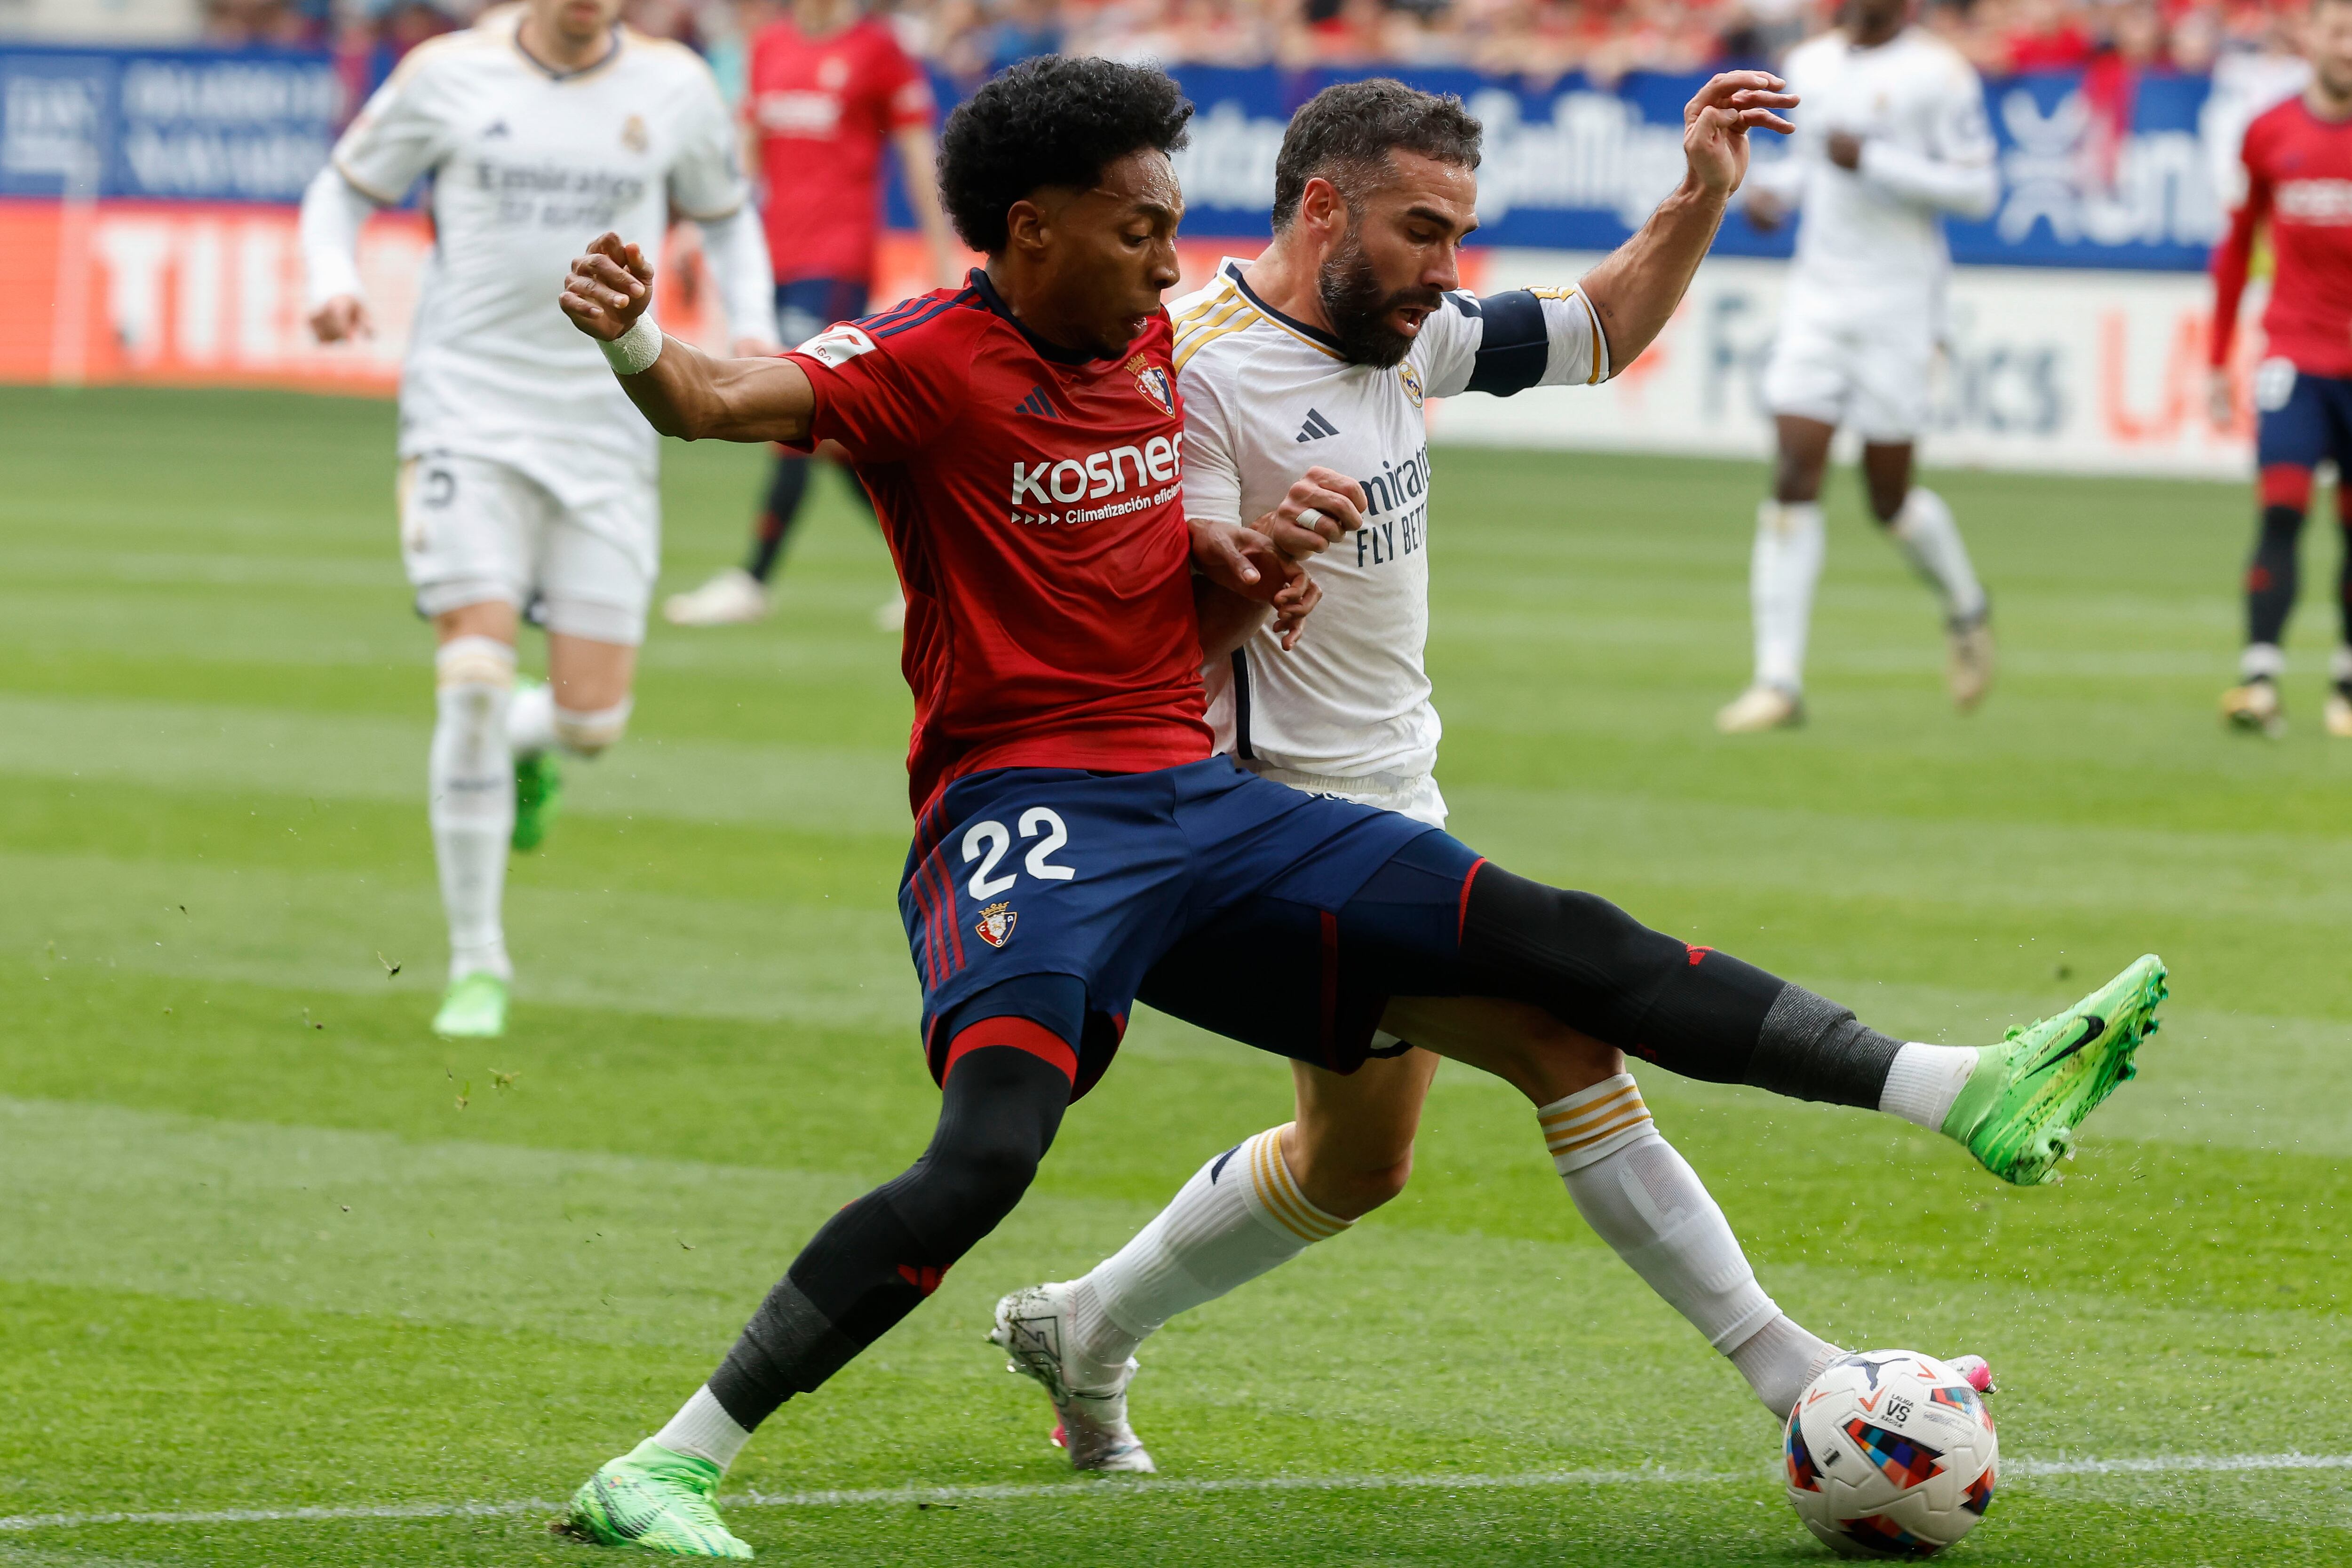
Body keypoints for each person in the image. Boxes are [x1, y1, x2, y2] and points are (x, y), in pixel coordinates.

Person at [545, 57, 2161, 1558]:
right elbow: (721, 398)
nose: (1166, 257)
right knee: (1000, 1149)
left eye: (1173, 226)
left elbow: (1589, 329)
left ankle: (1943, 1098)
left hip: (1232, 805)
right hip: (1066, 805)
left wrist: (1695, 195)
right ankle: (674, 1455)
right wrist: (633, 341)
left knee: (1500, 1022)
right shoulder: (1085, 366)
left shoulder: (1276, 338)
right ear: (1046, 230)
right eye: (1139, 229)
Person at [975, 76, 2111, 1476]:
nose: (1448, 273)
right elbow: (1166, 619)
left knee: (1352, 1163)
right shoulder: (1195, 369)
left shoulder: (1396, 330)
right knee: (1570, 1032)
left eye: (1459, 233)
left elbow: (1602, 328)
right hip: (1261, 833)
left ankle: (1085, 1326)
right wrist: (1259, 563)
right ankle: (1815, 1351)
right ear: (1323, 206)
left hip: (1393, 802)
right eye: (1422, 231)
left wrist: (1698, 197)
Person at [300, 0, 778, 1038]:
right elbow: (339, 194)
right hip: (464, 414)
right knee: (468, 677)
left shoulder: (675, 89)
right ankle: (478, 963)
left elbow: (730, 215)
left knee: (591, 724)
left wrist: (752, 323)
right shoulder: (447, 74)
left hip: (608, 428)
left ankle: (533, 741)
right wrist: (331, 280)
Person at [1717, 0, 2001, 734]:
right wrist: (1775, 195)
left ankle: (1967, 607)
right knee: (1793, 472)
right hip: (1820, 298)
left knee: (1888, 498)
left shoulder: (1940, 74)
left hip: (1901, 306)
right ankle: (1777, 680)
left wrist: (1873, 159)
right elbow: (1813, 167)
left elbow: (1978, 189)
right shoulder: (1811, 64)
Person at [661, 0, 961, 630]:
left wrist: (941, 255)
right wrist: (696, 236)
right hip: (772, 258)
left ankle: (753, 578)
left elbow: (914, 156)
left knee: (795, 415)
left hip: (837, 262)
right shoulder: (769, 46)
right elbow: (743, 162)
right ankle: (945, 566)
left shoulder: (877, 50)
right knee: (833, 438)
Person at [2211, 0, 2352, 740]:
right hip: (2295, 352)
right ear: (2313, 39)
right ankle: (2260, 676)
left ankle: (2346, 683)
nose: (2351, 47)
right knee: (2282, 505)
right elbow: (2237, 249)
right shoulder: (2271, 132)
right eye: (2339, 31)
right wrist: (2215, 354)